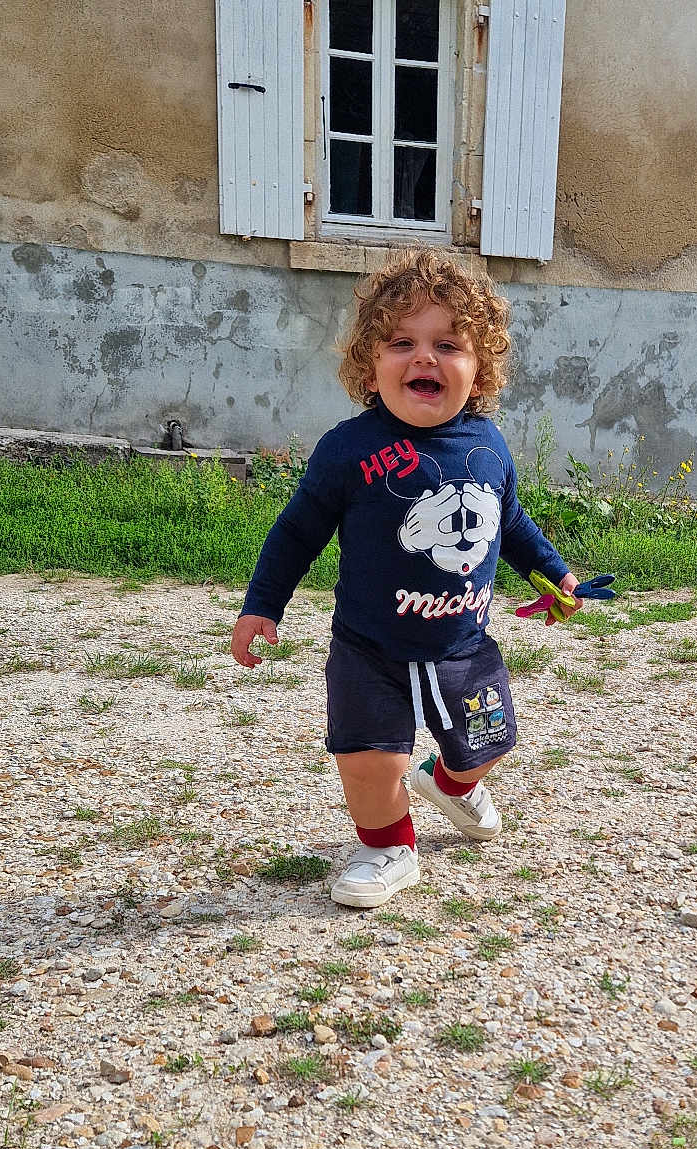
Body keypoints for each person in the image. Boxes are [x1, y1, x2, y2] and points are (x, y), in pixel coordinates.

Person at [230, 249, 579, 909]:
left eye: (448, 344)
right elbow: (296, 533)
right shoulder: (348, 450)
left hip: (463, 649)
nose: (424, 357)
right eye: (401, 343)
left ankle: (451, 783)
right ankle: (388, 846)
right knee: (366, 761)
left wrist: (552, 573)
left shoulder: (489, 446)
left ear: (478, 371)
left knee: (485, 747)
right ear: (370, 365)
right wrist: (261, 606)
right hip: (370, 649)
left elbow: (511, 524)